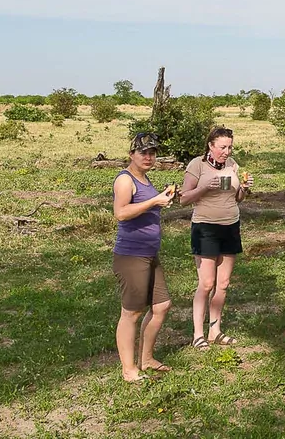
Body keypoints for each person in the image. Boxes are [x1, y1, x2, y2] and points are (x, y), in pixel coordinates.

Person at [111, 132, 178, 382]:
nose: (149, 157)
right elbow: (121, 213)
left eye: (152, 152)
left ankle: (147, 359)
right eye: (143, 152)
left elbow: (146, 205)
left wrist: (161, 200)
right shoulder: (125, 180)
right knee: (131, 312)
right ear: (131, 154)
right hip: (131, 255)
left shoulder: (145, 178)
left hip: (150, 254)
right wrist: (153, 201)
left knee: (161, 306)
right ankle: (129, 370)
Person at [180, 126, 253, 351]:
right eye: (222, 147)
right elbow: (183, 199)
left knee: (222, 284)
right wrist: (204, 187)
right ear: (211, 145)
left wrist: (245, 189)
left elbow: (237, 198)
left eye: (229, 147)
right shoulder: (197, 165)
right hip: (205, 227)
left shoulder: (232, 165)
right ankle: (198, 334)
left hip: (230, 226)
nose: (227, 151)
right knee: (207, 283)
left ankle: (215, 331)